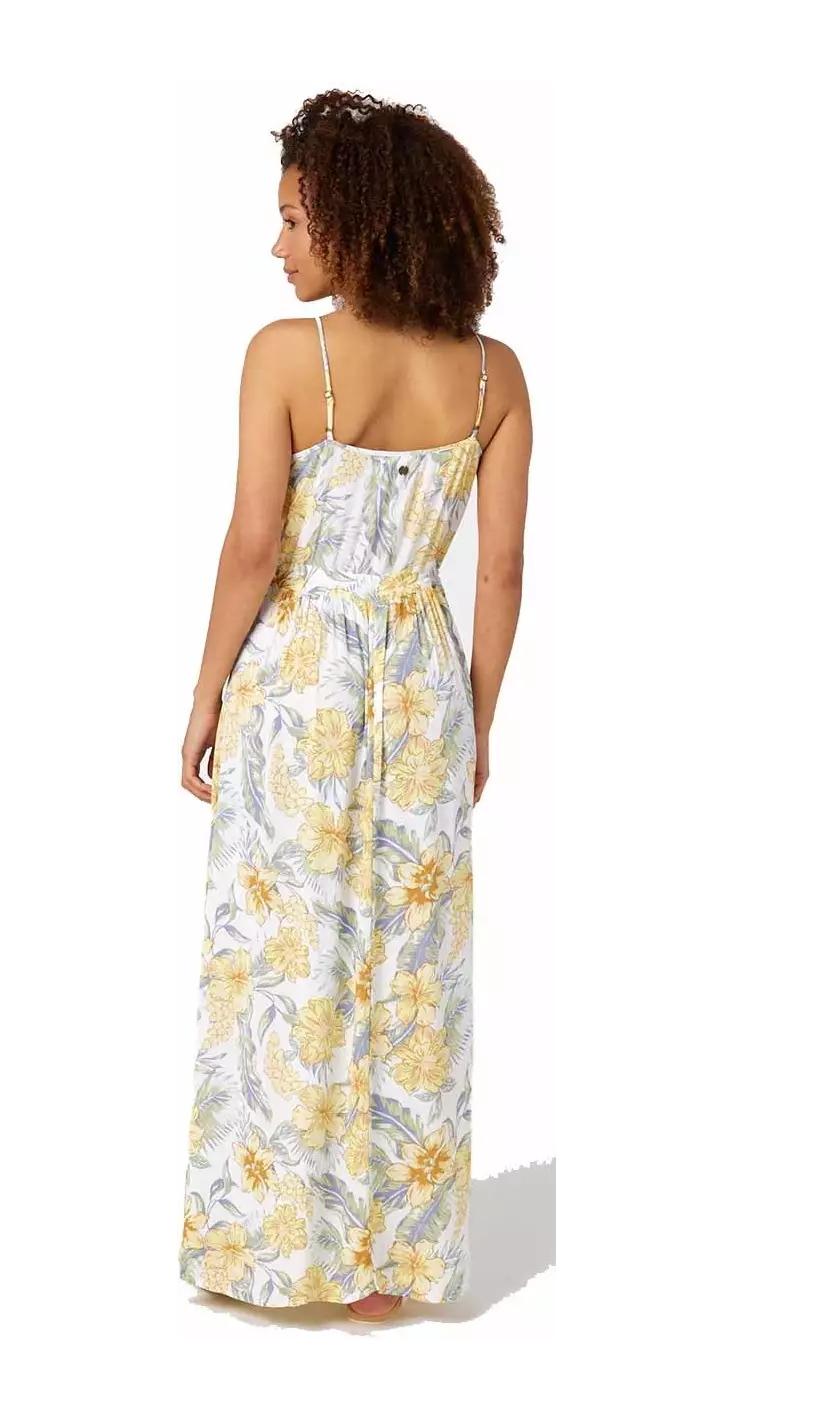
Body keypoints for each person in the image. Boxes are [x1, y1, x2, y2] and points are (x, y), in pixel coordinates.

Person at [176, 89, 530, 1322]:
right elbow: (499, 571)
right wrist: (478, 719)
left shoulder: (290, 357)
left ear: (359, 221)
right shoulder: (492, 375)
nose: (276, 246)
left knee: (286, 956)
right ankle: (389, 1263)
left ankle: (275, 1251)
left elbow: (253, 545)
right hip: (423, 685)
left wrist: (205, 693)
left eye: (293, 219)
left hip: (300, 683)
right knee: (407, 965)